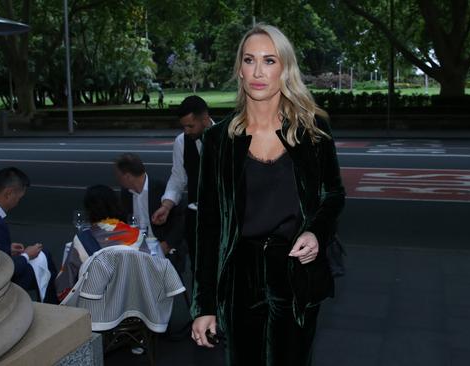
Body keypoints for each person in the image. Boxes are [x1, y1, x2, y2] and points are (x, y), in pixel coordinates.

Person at [190, 24, 345, 365]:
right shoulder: (218, 141)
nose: (259, 71)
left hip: (294, 271)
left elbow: (333, 194)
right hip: (239, 277)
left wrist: (315, 232)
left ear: (284, 69)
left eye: (269, 60)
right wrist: (204, 306)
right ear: (240, 70)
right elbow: (209, 226)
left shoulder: (313, 130)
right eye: (250, 60)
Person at [151, 95, 213, 273]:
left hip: (224, 219)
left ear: (205, 119)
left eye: (190, 126)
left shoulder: (226, 136)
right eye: (183, 126)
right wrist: (166, 206)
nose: (186, 131)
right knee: (199, 269)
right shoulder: (181, 142)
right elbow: (178, 178)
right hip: (196, 218)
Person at [55, 184, 143, 301]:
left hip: (94, 306)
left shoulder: (82, 240)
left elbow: (64, 286)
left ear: (89, 210)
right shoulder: (137, 236)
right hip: (130, 303)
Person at [0, 167, 58, 304]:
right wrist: (26, 255)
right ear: (8, 193)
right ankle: (53, 302)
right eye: (18, 198)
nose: (17, 202)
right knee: (44, 257)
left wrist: (7, 248)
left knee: (43, 256)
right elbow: (7, 270)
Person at [114, 152, 186, 272]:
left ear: (127, 176)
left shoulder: (163, 189)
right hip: (137, 250)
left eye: (118, 175)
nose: (117, 179)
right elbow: (122, 221)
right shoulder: (126, 193)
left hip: (163, 248)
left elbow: (181, 220)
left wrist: (166, 244)